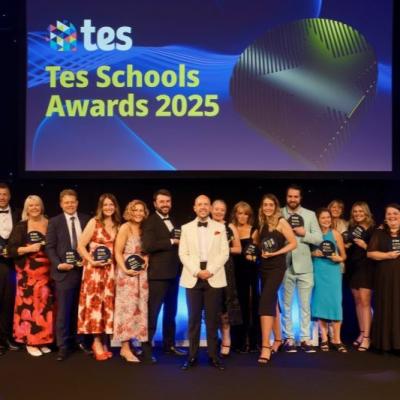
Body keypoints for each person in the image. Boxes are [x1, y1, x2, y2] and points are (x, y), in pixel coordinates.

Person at [179, 195, 229, 371]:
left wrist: (211, 270)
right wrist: (197, 271)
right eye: (199, 204)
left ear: (210, 207)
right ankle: (192, 356)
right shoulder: (186, 228)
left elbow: (224, 253)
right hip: (193, 276)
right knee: (193, 319)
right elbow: (183, 253)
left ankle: (214, 356)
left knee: (212, 320)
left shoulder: (220, 227)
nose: (203, 207)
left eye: (206, 204)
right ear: (194, 207)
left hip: (213, 276)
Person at [45, 189, 91, 361]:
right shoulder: (54, 222)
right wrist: (58, 264)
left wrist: (88, 259)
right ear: (61, 204)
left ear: (77, 203)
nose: (70, 205)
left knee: (82, 311)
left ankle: (81, 342)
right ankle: (63, 346)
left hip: (85, 271)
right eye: (66, 202)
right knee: (64, 312)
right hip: (64, 273)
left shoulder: (87, 219)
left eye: (72, 202)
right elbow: (49, 247)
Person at [141, 189, 185, 362]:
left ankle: (169, 346)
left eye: (167, 201)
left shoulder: (174, 220)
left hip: (174, 273)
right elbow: (148, 245)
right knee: (153, 313)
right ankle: (146, 350)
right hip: (157, 275)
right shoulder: (150, 222)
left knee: (171, 312)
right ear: (155, 204)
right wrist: (171, 241)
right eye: (162, 201)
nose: (165, 204)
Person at [7, 195, 54, 356]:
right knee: (29, 307)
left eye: (37, 205)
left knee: (45, 306)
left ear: (41, 207)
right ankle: (30, 341)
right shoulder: (21, 226)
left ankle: (43, 339)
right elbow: (11, 249)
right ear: (26, 209)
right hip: (27, 273)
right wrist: (29, 249)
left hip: (46, 272)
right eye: (31, 206)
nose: (34, 208)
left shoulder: (50, 223)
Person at [77, 193, 121, 361]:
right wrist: (91, 260)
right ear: (101, 207)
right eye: (105, 205)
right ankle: (96, 342)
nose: (108, 207)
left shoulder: (118, 225)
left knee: (107, 305)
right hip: (94, 272)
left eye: (111, 204)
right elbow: (81, 246)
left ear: (115, 207)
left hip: (110, 271)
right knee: (95, 305)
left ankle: (104, 341)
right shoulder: (94, 222)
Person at [280, 184, 322, 353]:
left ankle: (305, 338)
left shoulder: (310, 215)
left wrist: (304, 233)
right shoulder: (279, 213)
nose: (293, 199)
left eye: (295, 196)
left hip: (305, 266)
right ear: (286, 197)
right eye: (290, 196)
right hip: (284, 266)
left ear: (300, 198)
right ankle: (288, 338)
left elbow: (319, 238)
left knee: (305, 305)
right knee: (286, 305)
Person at [256, 194, 296, 364]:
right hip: (264, 267)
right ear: (262, 207)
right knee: (272, 302)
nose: (268, 208)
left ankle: (266, 345)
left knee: (265, 301)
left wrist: (276, 253)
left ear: (276, 207)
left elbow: (293, 243)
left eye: (271, 205)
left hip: (277, 267)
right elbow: (258, 243)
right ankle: (278, 340)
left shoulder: (281, 222)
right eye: (265, 205)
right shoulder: (261, 223)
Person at [114, 200, 149, 363]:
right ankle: (124, 347)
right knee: (126, 309)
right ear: (129, 211)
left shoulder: (145, 228)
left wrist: (146, 258)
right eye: (135, 210)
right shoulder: (125, 227)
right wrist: (125, 270)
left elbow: (147, 249)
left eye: (141, 210)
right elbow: (117, 252)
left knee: (138, 308)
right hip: (127, 275)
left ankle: (133, 342)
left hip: (141, 274)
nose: (138, 213)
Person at [311, 208, 347, 353]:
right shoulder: (314, 234)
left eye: (328, 217)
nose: (326, 220)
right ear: (318, 220)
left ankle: (337, 339)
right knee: (320, 304)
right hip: (319, 270)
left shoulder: (336, 234)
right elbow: (308, 253)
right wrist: (314, 253)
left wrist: (339, 258)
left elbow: (344, 255)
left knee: (335, 304)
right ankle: (324, 339)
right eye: (323, 218)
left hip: (333, 271)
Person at [210, 199, 242, 357]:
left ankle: (226, 339)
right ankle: (214, 338)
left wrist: (222, 249)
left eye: (222, 210)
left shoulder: (230, 227)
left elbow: (238, 249)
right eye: (216, 209)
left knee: (224, 304)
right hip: (209, 269)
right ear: (211, 209)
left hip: (226, 269)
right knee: (211, 305)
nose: (219, 212)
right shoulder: (206, 226)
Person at [367, 204, 400, 353]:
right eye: (389, 214)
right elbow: (370, 253)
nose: (392, 216)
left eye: (395, 213)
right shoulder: (379, 233)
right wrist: (387, 255)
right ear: (385, 217)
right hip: (384, 276)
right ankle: (384, 344)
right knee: (385, 306)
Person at [230, 201, 260, 353]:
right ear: (235, 214)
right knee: (236, 305)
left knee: (251, 305)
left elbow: (256, 251)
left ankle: (253, 342)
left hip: (250, 271)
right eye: (240, 213)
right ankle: (237, 342)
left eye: (246, 214)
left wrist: (254, 257)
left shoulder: (254, 230)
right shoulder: (230, 229)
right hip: (233, 271)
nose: (242, 216)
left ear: (250, 216)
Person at [346, 201, 375, 351]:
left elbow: (378, 249)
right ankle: (362, 333)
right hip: (353, 267)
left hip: (367, 267)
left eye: (360, 211)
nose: (357, 214)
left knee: (365, 302)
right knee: (357, 301)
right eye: (355, 211)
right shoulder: (352, 229)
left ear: (366, 212)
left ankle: (367, 337)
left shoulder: (373, 229)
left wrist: (365, 246)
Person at [0, 183, 21, 356]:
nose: (2, 197)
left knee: (9, 303)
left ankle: (5, 337)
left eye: (5, 194)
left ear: (9, 196)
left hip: (12, 265)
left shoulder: (18, 213)